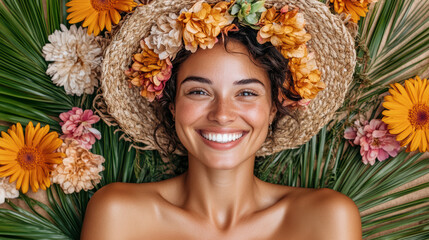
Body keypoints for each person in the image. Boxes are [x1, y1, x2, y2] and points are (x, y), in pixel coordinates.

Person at [81, 0, 360, 239]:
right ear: (172, 105)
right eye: (199, 91)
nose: (222, 114)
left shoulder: (327, 219)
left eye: (247, 93)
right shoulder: (118, 214)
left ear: (274, 106)